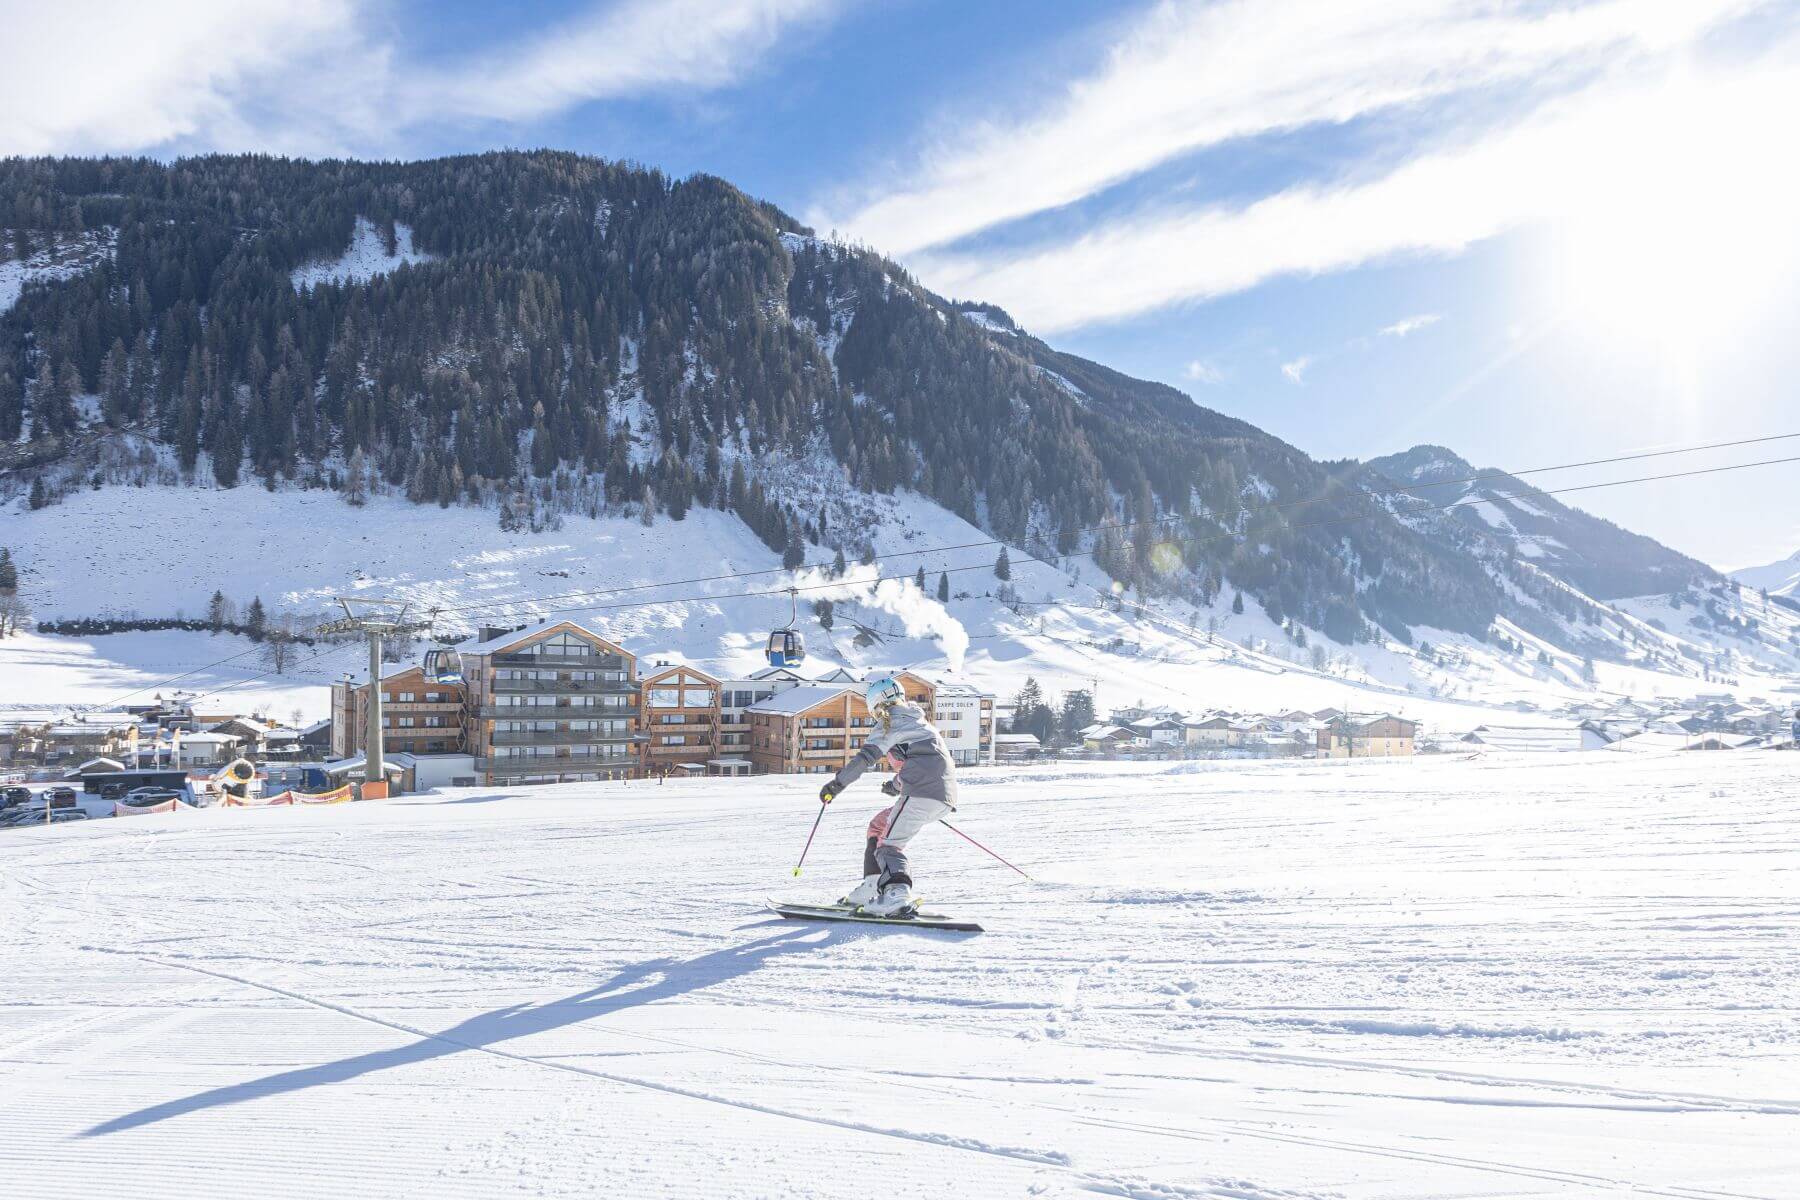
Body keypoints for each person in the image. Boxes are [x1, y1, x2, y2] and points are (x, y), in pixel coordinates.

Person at [819, 676, 958, 916]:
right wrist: (895, 786)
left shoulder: (890, 722)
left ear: (875, 705)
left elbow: (865, 759)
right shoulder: (918, 722)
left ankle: (897, 894)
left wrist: (836, 785)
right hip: (939, 795)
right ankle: (873, 885)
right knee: (878, 826)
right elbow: (924, 762)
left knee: (889, 846)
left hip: (921, 793)